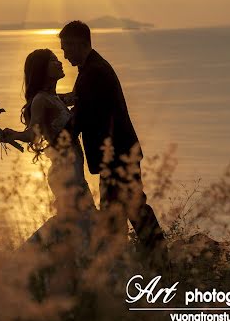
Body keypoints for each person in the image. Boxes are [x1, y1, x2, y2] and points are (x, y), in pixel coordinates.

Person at [58, 20, 165, 258]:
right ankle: (134, 260)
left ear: (79, 43)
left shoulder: (93, 72)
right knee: (122, 210)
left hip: (117, 154)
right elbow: (84, 100)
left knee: (127, 209)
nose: (64, 55)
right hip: (119, 152)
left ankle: (155, 260)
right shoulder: (94, 68)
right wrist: (60, 100)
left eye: (66, 48)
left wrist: (58, 138)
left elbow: (83, 115)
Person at [0, 48, 95, 254]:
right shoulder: (41, 100)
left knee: (80, 220)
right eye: (53, 61)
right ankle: (25, 257)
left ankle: (60, 262)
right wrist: (13, 134)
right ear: (42, 69)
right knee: (78, 219)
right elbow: (33, 135)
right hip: (64, 170)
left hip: (74, 167)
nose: (59, 63)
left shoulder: (56, 98)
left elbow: (79, 96)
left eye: (58, 59)